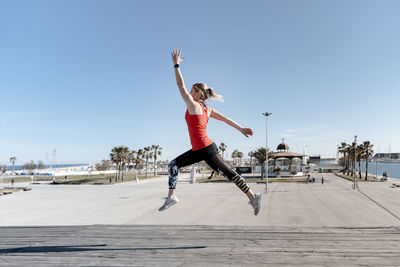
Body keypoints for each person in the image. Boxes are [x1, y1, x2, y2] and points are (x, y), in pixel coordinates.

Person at [159, 49, 261, 215]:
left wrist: (176, 65)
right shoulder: (208, 109)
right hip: (199, 150)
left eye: (192, 90)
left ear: (198, 93)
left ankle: (253, 197)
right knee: (173, 165)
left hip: (206, 149)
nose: (189, 93)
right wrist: (241, 128)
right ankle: (171, 197)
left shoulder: (194, 105)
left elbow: (180, 85)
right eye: (190, 91)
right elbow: (226, 119)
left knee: (230, 174)